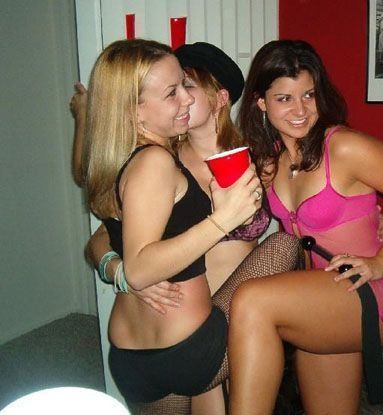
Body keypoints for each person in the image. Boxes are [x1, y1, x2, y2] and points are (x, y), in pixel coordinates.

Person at [81, 38, 303, 415]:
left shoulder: (125, 157)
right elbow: (139, 267)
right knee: (284, 246)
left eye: (186, 86)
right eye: (173, 91)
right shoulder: (157, 161)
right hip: (190, 348)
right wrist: (222, 220)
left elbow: (120, 242)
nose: (185, 98)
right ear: (134, 109)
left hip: (133, 357)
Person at [228, 39, 383, 414]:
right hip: (320, 297)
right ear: (260, 102)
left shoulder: (343, 147)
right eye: (284, 98)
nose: (300, 110)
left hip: (365, 291)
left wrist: (382, 262)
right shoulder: (271, 161)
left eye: (308, 95)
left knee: (251, 300)